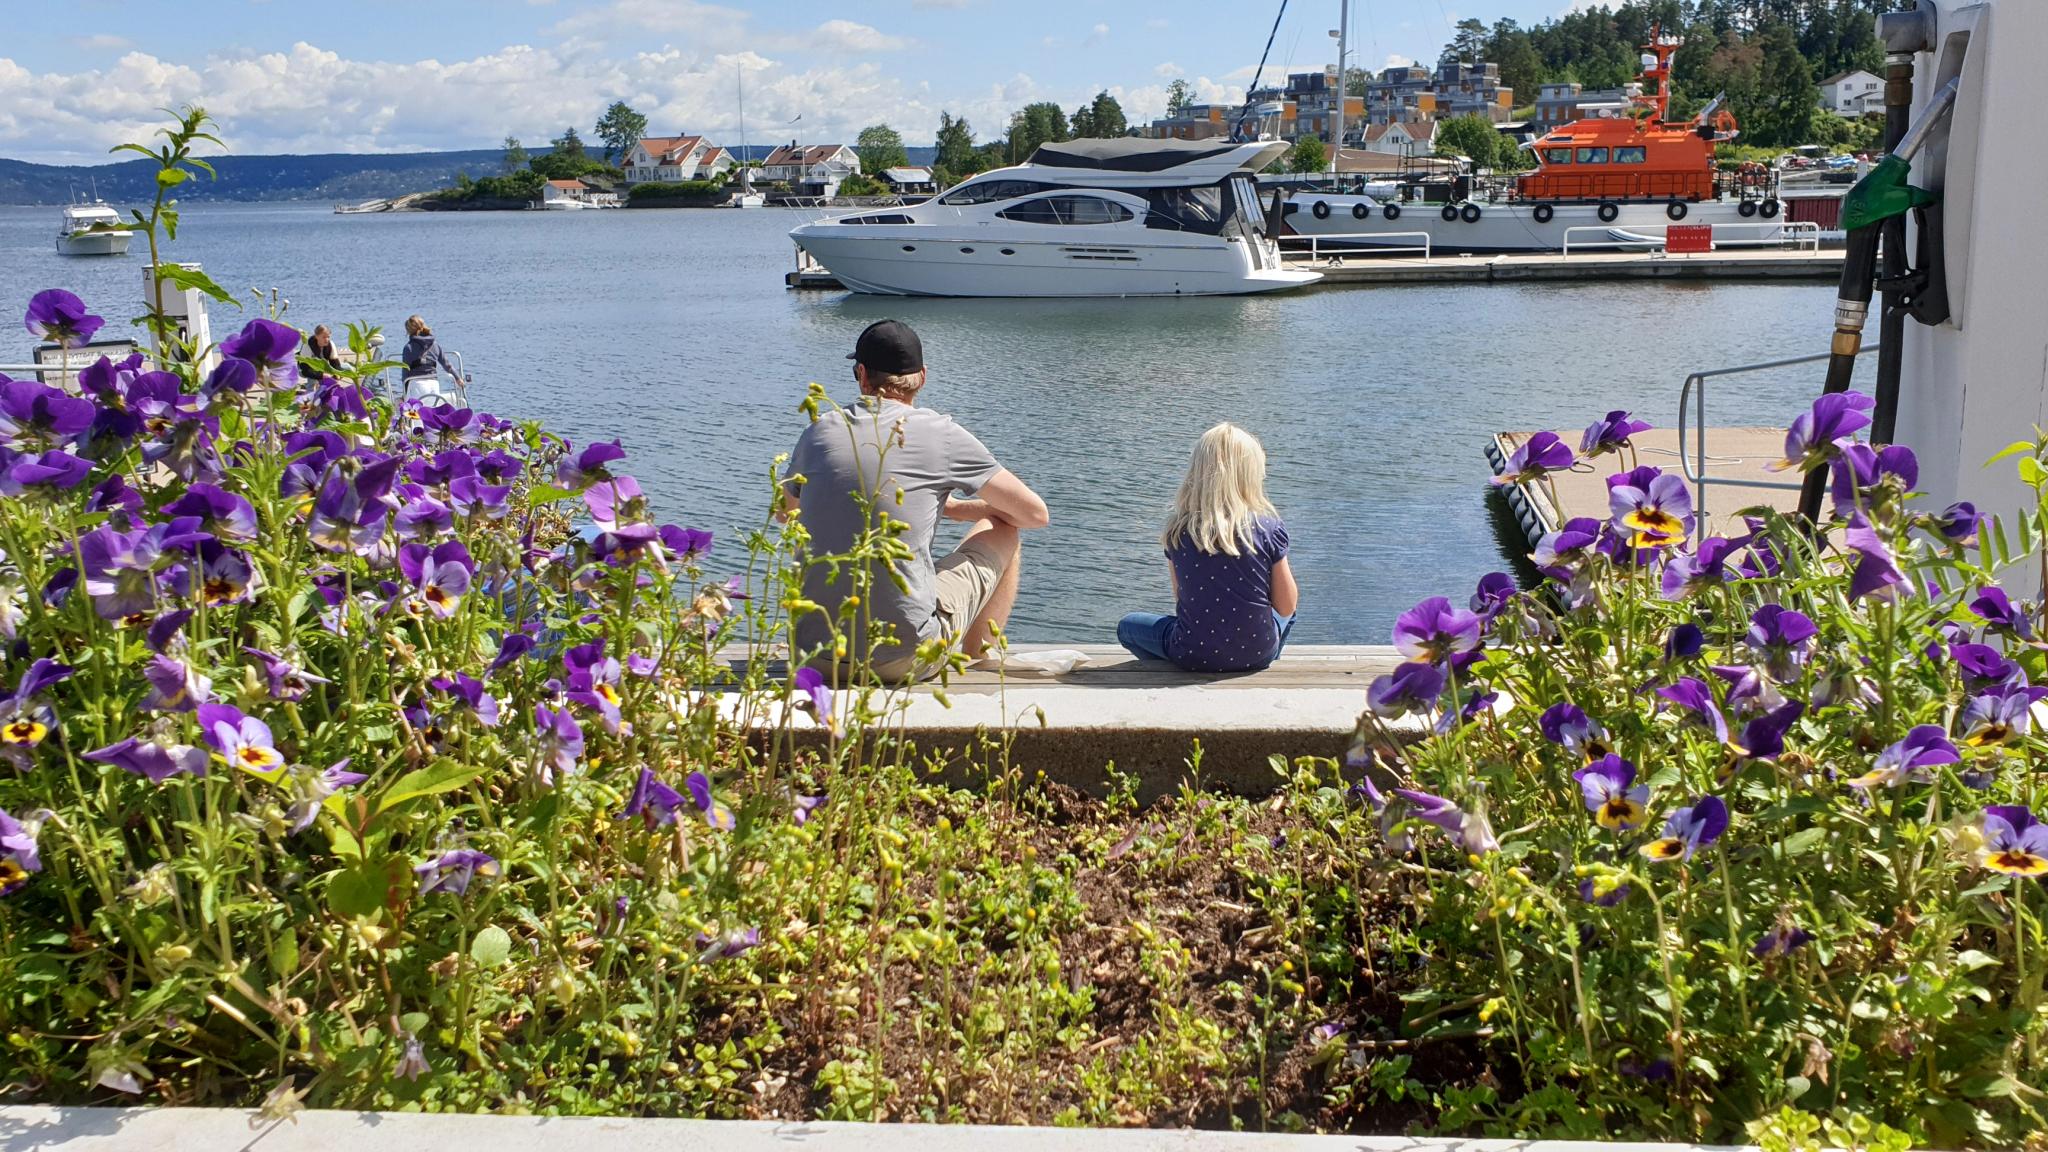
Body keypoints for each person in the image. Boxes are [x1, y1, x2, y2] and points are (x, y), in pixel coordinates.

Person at [782, 319, 1048, 682]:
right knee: (1005, 528)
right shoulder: (942, 434)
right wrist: (963, 508)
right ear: (921, 377)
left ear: (862, 374)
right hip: (905, 658)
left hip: (812, 656)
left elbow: (786, 515)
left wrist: (947, 506)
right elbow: (1034, 514)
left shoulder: (818, 430)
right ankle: (980, 656)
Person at [1118, 423, 1298, 673]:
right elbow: (1286, 606)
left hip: (1193, 652)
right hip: (1258, 654)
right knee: (1287, 615)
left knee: (1127, 626)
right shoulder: (1269, 527)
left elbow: (1182, 599)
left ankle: (1164, 673)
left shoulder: (1178, 530)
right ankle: (1254, 662)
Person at [400, 315, 457, 402]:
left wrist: (404, 392)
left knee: (415, 411)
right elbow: (447, 365)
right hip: (433, 383)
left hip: (417, 384)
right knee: (431, 410)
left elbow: (405, 372)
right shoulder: (435, 344)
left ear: (408, 331)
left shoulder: (408, 347)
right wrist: (458, 378)